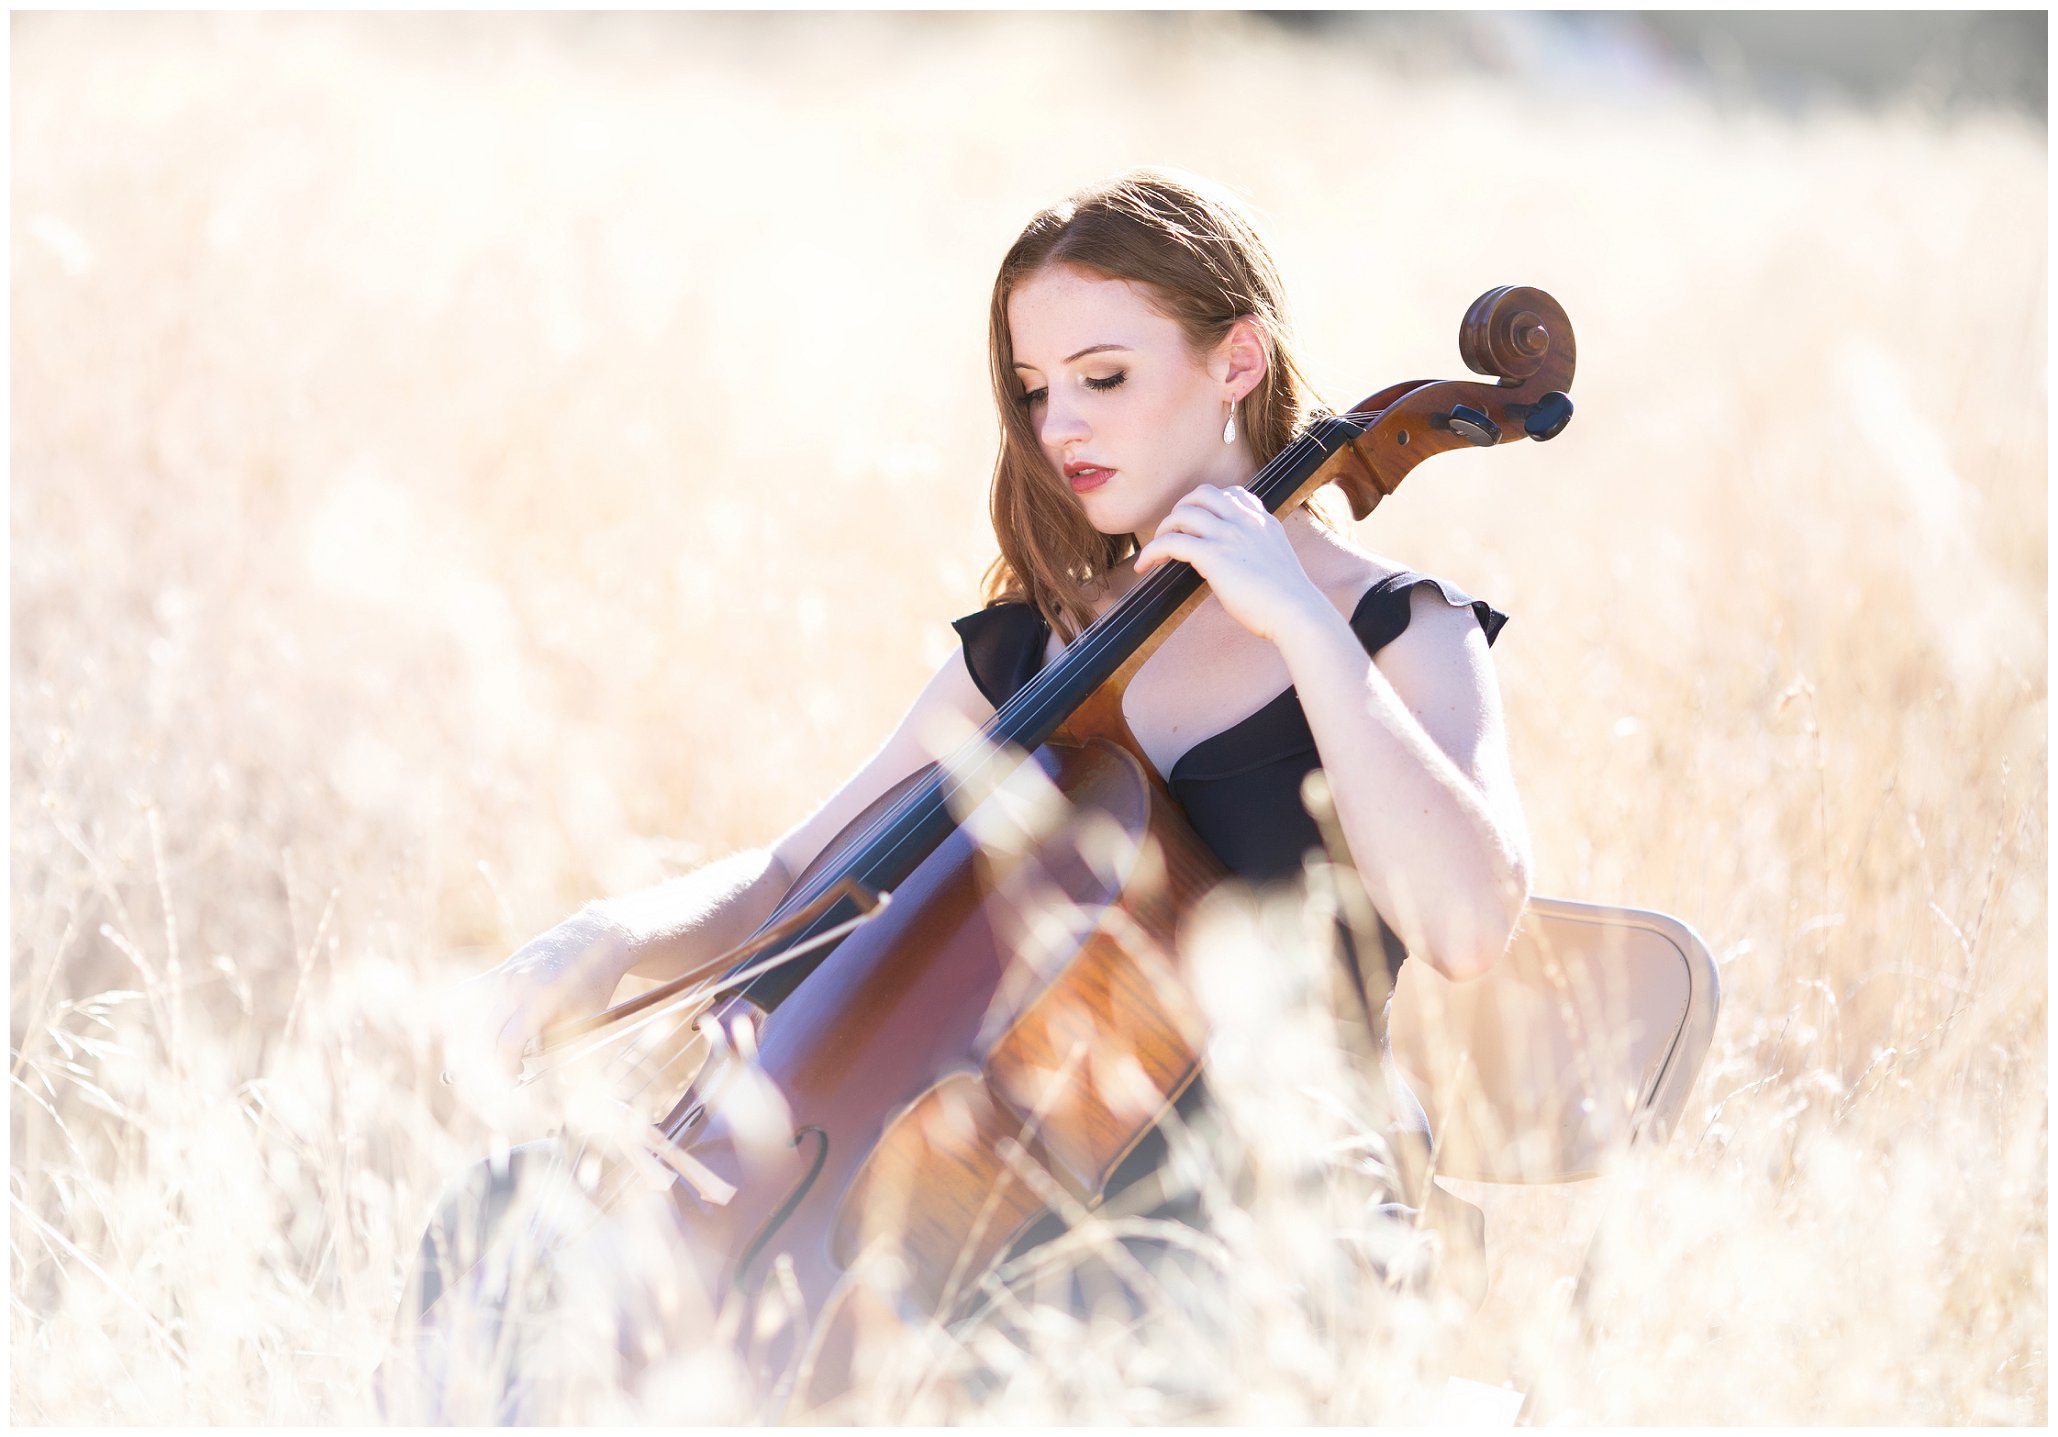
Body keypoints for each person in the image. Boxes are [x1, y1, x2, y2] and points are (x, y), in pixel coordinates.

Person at [405, 167, 1533, 1416]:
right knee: (500, 1244)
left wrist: (1305, 636)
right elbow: (798, 878)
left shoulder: (1397, 633)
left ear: (1239, 361)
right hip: (1006, 1215)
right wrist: (605, 936)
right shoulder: (1036, 651)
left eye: (1104, 378)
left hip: (1263, 1228)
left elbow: (1467, 925)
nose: (1062, 429)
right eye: (1037, 390)